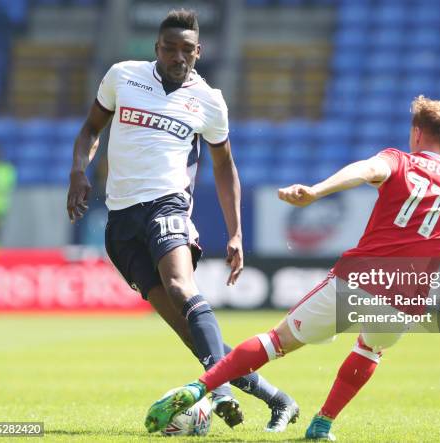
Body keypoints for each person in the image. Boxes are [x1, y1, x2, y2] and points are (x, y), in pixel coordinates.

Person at [144, 96, 440, 439]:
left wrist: (315, 192)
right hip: (407, 296)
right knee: (370, 350)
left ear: (416, 133)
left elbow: (365, 169)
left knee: (276, 342)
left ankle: (199, 388)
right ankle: (323, 424)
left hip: (360, 279)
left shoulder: (400, 159)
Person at [66, 9, 298, 433]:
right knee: (185, 328)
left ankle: (220, 391)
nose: (177, 56)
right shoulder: (123, 76)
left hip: (167, 207)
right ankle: (277, 398)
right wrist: (79, 171)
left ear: (198, 52)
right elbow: (89, 131)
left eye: (186, 50)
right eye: (169, 48)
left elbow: (225, 167)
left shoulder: (209, 101)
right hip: (121, 222)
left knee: (180, 286)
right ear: (156, 48)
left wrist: (236, 232)